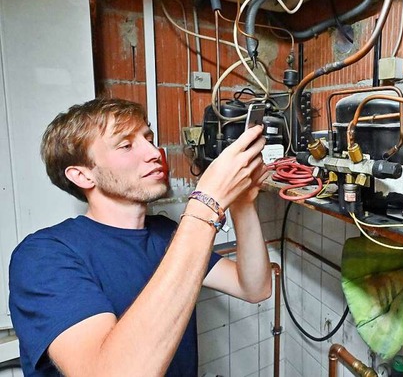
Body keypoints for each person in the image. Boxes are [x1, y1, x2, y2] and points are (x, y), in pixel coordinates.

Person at [8, 98, 272, 376]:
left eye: (148, 138)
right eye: (126, 145)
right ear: (83, 176)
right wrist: (206, 204)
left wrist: (242, 203)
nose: (154, 152)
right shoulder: (43, 256)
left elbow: (253, 287)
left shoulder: (166, 233)